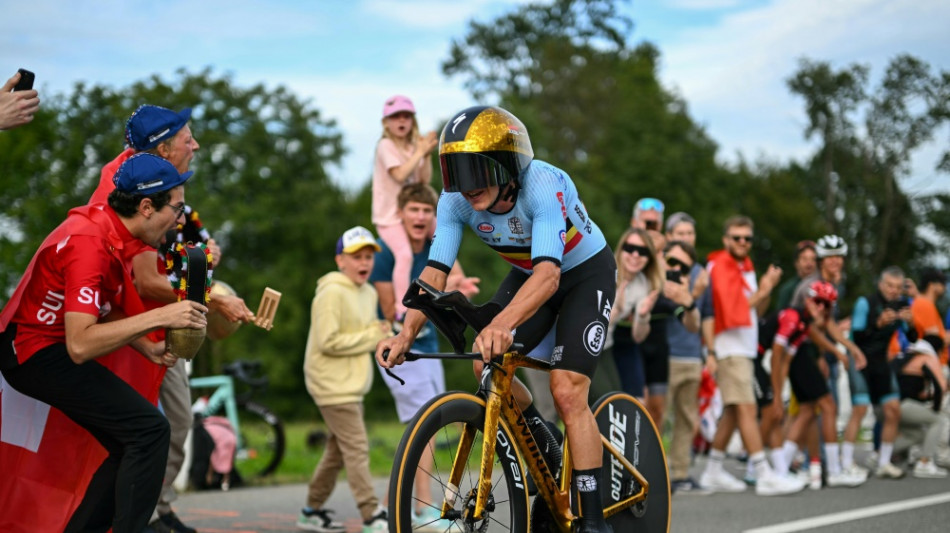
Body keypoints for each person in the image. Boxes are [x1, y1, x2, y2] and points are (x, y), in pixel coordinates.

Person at [377, 106, 616, 533]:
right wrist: (404, 333)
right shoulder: (453, 202)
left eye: (474, 171)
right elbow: (433, 276)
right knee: (484, 364)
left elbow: (549, 275)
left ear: (507, 165)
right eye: (454, 172)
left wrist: (502, 323)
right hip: (530, 273)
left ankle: (595, 522)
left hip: (582, 273)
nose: (464, 187)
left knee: (566, 390)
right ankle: (550, 453)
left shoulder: (541, 184)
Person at [0, 153, 207, 533]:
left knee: (134, 437)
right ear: (146, 206)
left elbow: (101, 307)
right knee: (150, 431)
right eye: (177, 209)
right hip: (35, 353)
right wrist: (162, 316)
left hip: (49, 346)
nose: (181, 220)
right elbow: (80, 343)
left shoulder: (114, 233)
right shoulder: (90, 244)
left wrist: (146, 346)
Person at [90, 105, 252, 533]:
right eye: (187, 138)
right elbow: (145, 281)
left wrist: (204, 256)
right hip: (129, 326)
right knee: (149, 429)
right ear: (162, 148)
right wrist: (215, 297)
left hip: (155, 322)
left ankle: (156, 510)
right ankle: (138, 518)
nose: (195, 144)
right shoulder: (134, 188)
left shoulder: (157, 180)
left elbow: (182, 248)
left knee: (173, 423)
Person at [369, 183, 479, 530]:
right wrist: (437, 297)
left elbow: (455, 275)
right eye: (413, 210)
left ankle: (389, 511)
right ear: (400, 214)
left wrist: (459, 286)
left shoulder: (436, 246)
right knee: (426, 428)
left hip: (429, 349)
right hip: (400, 349)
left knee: (427, 426)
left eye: (426, 210)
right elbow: (390, 308)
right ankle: (424, 509)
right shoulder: (387, 252)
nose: (420, 216)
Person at [698, 215, 805, 496]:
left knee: (733, 412)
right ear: (726, 240)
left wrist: (765, 289)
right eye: (737, 237)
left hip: (743, 348)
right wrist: (766, 288)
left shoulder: (744, 266)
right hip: (728, 348)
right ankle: (763, 473)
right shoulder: (720, 266)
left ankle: (712, 471)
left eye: (747, 238)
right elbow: (734, 311)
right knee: (746, 408)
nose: (743, 242)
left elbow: (757, 309)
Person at [300, 226, 391, 533]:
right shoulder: (331, 290)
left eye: (368, 257)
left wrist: (383, 334)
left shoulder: (368, 292)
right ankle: (371, 515)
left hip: (351, 386)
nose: (364, 262)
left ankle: (311, 510)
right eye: (356, 257)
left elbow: (369, 333)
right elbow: (328, 341)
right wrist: (372, 336)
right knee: (357, 447)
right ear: (340, 260)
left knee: (337, 453)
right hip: (331, 384)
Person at [761, 280, 866, 488]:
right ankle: (833, 470)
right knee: (827, 405)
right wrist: (777, 392)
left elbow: (792, 353)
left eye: (827, 305)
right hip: (781, 357)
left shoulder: (805, 321)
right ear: (808, 300)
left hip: (796, 358)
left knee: (808, 411)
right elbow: (778, 355)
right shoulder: (795, 317)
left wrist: (838, 351)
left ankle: (783, 467)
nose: (822, 308)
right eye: (818, 302)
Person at [371, 95, 439, 324]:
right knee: (404, 255)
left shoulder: (411, 147)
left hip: (409, 213)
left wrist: (426, 154)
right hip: (389, 217)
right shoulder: (385, 145)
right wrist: (420, 152)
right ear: (386, 122)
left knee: (443, 236)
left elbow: (423, 180)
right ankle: (403, 308)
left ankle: (456, 280)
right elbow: (400, 175)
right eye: (395, 117)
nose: (401, 121)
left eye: (406, 116)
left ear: (412, 120)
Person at [846, 266, 916, 479]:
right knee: (860, 409)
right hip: (859, 358)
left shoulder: (901, 305)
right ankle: (846, 463)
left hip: (880, 361)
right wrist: (878, 324)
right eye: (889, 286)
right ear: (881, 284)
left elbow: (912, 338)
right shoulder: (865, 302)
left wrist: (910, 322)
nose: (893, 291)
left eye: (897, 287)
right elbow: (857, 337)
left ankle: (884, 462)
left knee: (893, 410)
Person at [661, 239, 707, 493]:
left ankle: (680, 473)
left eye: (684, 267)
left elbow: (699, 321)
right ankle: (652, 471)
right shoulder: (655, 281)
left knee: (687, 418)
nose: (677, 269)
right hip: (665, 357)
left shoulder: (696, 283)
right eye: (672, 263)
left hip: (692, 356)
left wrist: (690, 297)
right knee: (657, 416)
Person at [609, 228, 663, 400]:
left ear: (649, 258)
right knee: (607, 399)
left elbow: (638, 337)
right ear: (621, 249)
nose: (635, 255)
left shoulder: (643, 283)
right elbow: (594, 325)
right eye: (630, 248)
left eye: (643, 251)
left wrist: (642, 315)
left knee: (637, 400)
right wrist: (617, 309)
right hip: (590, 343)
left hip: (613, 344)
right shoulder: (606, 271)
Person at [893, 338, 949, 477]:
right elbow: (940, 388)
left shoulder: (905, 355)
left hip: (886, 405)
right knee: (938, 420)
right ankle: (925, 463)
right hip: (903, 405)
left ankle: (881, 455)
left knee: (917, 434)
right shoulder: (928, 358)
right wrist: (935, 408)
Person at [909, 268, 949, 365]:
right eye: (941, 283)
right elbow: (934, 340)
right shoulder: (924, 304)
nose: (944, 287)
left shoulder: (926, 304)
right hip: (930, 364)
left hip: (932, 363)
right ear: (931, 285)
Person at [775, 241, 817, 311]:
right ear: (796, 263)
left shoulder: (824, 284)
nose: (809, 263)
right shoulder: (787, 289)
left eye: (813, 259)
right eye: (804, 259)